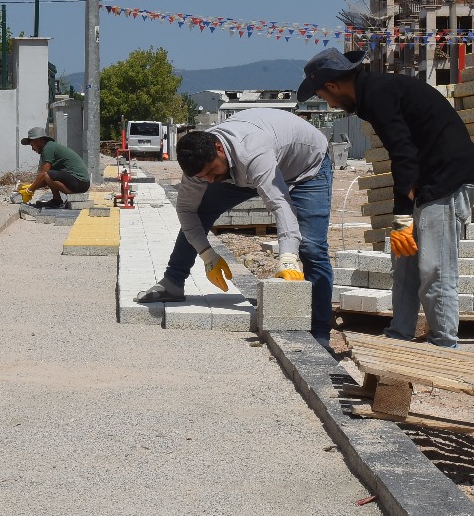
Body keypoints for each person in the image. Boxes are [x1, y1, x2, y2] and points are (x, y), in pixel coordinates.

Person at [298, 48, 474, 349]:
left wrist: (402, 214)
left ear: (333, 86)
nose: (330, 103)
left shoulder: (378, 94)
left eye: (325, 97)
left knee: (434, 268)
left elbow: (403, 154)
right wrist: (401, 218)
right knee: (404, 261)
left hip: (450, 180)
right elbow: (402, 157)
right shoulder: (375, 92)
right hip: (430, 181)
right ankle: (399, 335)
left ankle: (445, 347)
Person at [133, 107, 335, 346]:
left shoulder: (252, 152)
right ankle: (173, 283)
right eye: (202, 177)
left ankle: (320, 333)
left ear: (219, 149)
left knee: (312, 247)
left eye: (210, 172)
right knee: (200, 211)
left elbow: (280, 204)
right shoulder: (202, 167)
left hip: (306, 168)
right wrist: (207, 255)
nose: (208, 180)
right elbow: (186, 211)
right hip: (240, 167)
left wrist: (288, 256)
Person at [18, 127, 90, 208]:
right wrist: (32, 186)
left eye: (32, 145)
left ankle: (72, 197)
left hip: (80, 182)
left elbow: (43, 175)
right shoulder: (50, 147)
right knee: (50, 174)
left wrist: (29, 190)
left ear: (38, 141)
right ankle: (57, 200)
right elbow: (44, 181)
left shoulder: (48, 149)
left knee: (48, 175)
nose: (32, 149)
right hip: (81, 182)